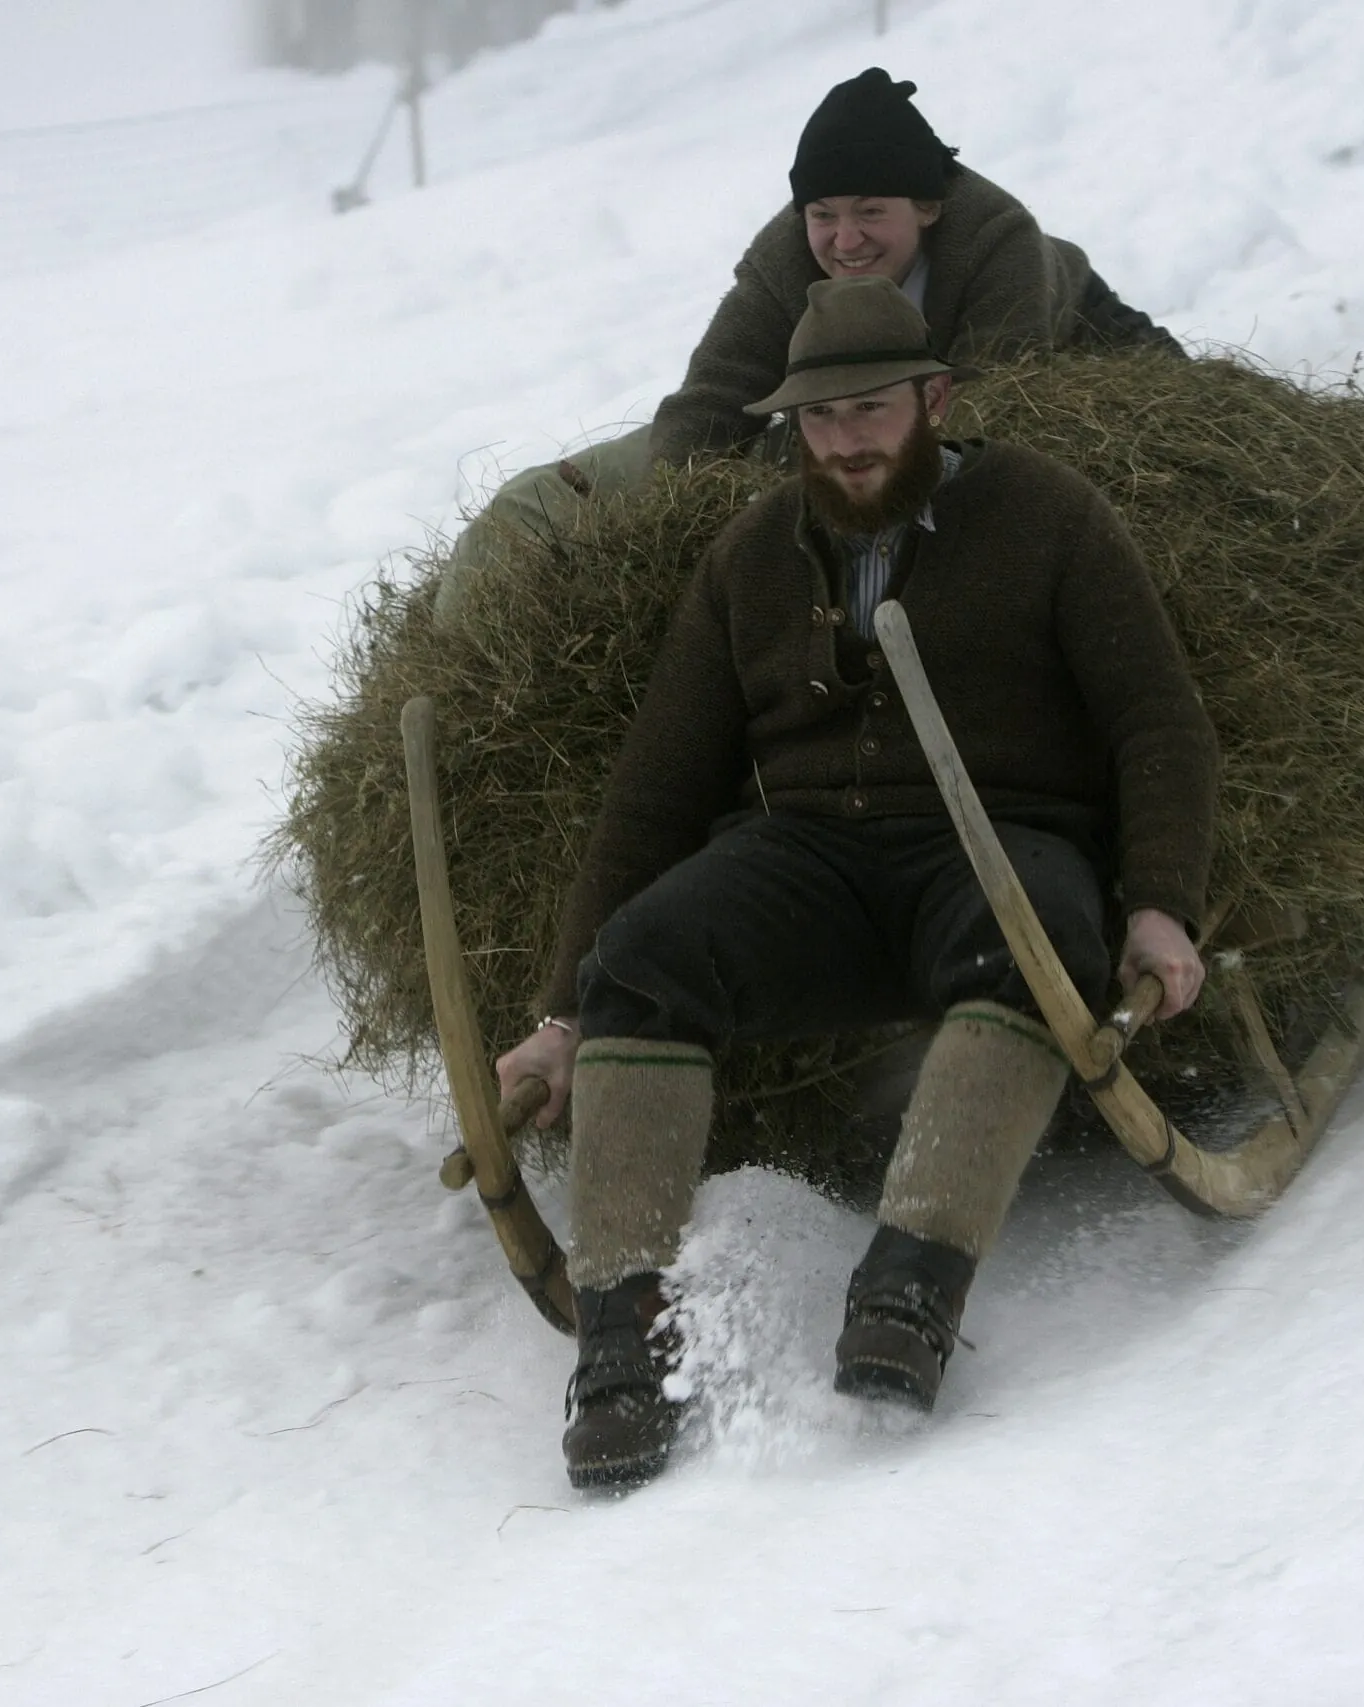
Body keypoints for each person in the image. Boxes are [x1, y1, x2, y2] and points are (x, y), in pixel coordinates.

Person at [492, 275, 1218, 1491]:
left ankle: (912, 1283)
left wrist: (1159, 901)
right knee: (645, 957)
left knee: (1035, 941)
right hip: (811, 858)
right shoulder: (752, 554)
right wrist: (565, 1014)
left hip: (998, 837)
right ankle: (621, 1338)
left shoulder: (1048, 515)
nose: (845, 440)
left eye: (871, 408)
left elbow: (1158, 722)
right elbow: (656, 791)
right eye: (818, 419)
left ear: (934, 398)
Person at [434, 67, 1181, 627]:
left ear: (927, 207)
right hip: (843, 405)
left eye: (870, 212)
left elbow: (985, 422)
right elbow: (712, 399)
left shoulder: (998, 246)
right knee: (538, 503)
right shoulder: (786, 257)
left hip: (1070, 344)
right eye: (823, 213)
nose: (844, 239)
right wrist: (667, 541)